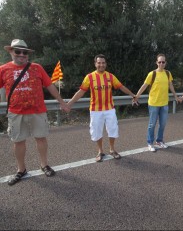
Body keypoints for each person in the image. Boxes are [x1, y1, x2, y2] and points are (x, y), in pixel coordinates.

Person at [0, 39, 69, 186]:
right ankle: (21, 169)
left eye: (24, 52)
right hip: (16, 112)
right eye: (18, 51)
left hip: (38, 111)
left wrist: (62, 102)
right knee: (18, 142)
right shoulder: (3, 69)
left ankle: (44, 165)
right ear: (11, 52)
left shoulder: (37, 68)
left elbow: (50, 86)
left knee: (41, 139)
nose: (22, 54)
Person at [67, 54, 136, 162]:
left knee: (113, 130)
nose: (101, 65)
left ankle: (112, 149)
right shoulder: (89, 77)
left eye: (103, 63)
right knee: (97, 131)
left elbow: (121, 86)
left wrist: (133, 95)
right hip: (95, 110)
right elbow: (81, 92)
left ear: (106, 64)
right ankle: (100, 151)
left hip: (109, 109)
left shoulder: (110, 76)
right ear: (95, 64)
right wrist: (69, 103)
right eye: (99, 63)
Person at [134, 54, 179, 152]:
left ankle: (159, 141)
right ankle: (150, 143)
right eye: (159, 62)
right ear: (156, 63)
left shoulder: (168, 73)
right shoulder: (152, 74)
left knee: (162, 124)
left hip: (164, 103)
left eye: (163, 62)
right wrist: (136, 96)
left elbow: (170, 85)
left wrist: (175, 95)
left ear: (165, 63)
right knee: (152, 124)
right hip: (153, 103)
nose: (161, 64)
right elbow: (144, 85)